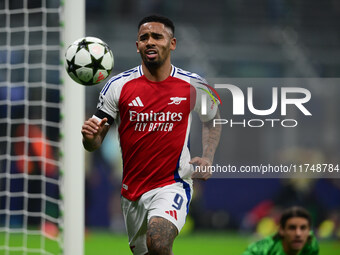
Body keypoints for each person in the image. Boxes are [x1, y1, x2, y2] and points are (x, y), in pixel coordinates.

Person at [81, 15, 221, 255]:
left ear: (172, 43)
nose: (150, 42)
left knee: (159, 241)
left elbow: (213, 120)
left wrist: (208, 156)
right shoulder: (118, 86)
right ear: (137, 46)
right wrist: (89, 136)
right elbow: (94, 143)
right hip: (132, 192)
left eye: (157, 36)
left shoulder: (194, 85)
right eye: (144, 38)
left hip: (172, 183)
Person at [242, 206, 319, 255]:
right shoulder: (267, 222)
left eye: (303, 228)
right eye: (292, 228)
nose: (298, 233)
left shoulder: (311, 246)